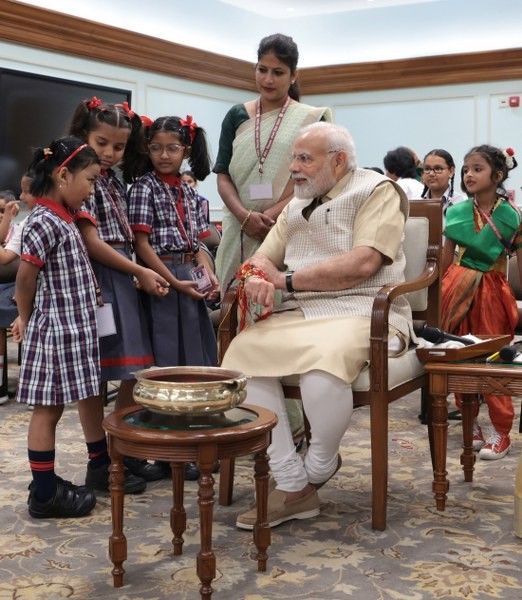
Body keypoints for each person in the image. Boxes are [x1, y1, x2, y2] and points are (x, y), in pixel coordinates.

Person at [221, 122, 412, 529]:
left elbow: (363, 263)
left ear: (339, 160)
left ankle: (317, 467)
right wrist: (257, 275)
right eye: (293, 158)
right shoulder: (296, 204)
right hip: (305, 310)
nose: (293, 168)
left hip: (368, 309)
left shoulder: (377, 191)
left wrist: (285, 281)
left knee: (320, 370)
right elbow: (262, 259)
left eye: (304, 158)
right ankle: (293, 483)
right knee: (243, 355)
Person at [69, 97, 170, 492]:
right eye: (101, 143)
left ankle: (123, 450)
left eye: (118, 146)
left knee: (133, 368)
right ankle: (100, 461)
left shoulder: (114, 179)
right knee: (96, 375)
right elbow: (91, 240)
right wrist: (139, 270)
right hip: (101, 278)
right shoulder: (82, 178)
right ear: (84, 136)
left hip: (124, 275)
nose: (109, 153)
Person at [129, 116, 220, 481]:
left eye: (172, 148)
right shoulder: (142, 189)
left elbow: (197, 243)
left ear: (186, 150)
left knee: (193, 362)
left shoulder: (191, 193)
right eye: (155, 148)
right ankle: (164, 451)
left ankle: (188, 445)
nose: (163, 155)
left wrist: (206, 272)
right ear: (146, 148)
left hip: (188, 279)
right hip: (163, 281)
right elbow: (141, 244)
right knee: (165, 365)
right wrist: (174, 281)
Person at [14, 137, 100, 518]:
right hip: (53, 332)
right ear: (63, 175)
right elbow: (24, 279)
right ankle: (45, 494)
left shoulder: (63, 217)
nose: (92, 189)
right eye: (90, 180)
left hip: (71, 331)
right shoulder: (44, 220)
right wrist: (27, 319)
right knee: (47, 412)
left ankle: (45, 483)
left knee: (57, 408)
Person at [213, 33, 332, 296]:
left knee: (278, 306)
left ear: (293, 76)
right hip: (237, 226)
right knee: (234, 308)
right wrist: (244, 217)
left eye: (278, 72)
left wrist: (272, 215)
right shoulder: (237, 115)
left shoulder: (310, 118)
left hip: (288, 224)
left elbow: (315, 180)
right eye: (262, 70)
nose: (268, 79)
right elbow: (222, 175)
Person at [441, 145, 521, 460]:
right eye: (465, 169)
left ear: (498, 175)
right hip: (458, 289)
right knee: (461, 358)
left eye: (477, 169)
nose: (468, 175)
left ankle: (502, 433)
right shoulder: (457, 211)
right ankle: (471, 425)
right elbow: (446, 261)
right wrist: (441, 294)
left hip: (492, 292)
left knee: (493, 361)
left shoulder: (510, 215)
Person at [0, 173, 35, 406]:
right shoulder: (21, 225)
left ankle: (33, 384)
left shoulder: (26, 224)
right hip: (17, 287)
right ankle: (2, 384)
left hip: (31, 289)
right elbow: (4, 258)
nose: (22, 197)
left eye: (26, 192)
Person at [420, 149, 467, 219]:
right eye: (427, 169)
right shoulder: (417, 204)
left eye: (438, 169)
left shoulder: (461, 202)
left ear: (451, 171)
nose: (431, 174)